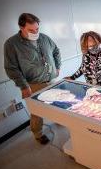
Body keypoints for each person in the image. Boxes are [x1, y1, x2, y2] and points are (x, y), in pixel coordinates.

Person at [4, 13, 61, 144]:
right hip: (33, 84)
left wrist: (57, 67)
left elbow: (56, 51)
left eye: (37, 29)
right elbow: (11, 68)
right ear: (21, 27)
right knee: (37, 112)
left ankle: (60, 120)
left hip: (51, 79)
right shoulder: (11, 44)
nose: (35, 33)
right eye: (31, 30)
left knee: (58, 103)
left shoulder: (44, 38)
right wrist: (24, 86)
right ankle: (38, 134)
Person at [66, 31, 101, 98]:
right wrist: (72, 77)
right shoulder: (86, 54)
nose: (91, 48)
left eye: (94, 46)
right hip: (90, 87)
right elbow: (83, 68)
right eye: (89, 47)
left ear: (98, 41)